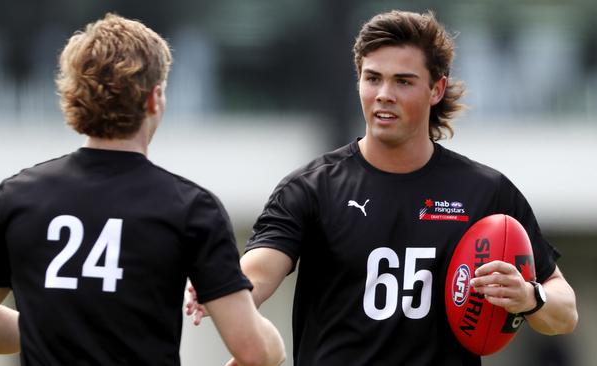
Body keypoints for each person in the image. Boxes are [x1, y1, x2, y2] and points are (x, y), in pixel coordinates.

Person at [186, 10, 577, 365]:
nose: (384, 94)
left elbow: (565, 312)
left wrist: (530, 298)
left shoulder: (486, 192)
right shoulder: (311, 187)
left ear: (436, 90)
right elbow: (259, 271)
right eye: (373, 78)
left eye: (403, 81)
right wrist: (222, 288)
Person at [0, 13, 285, 366]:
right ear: (154, 99)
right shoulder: (190, 208)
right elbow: (253, 351)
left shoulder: (16, 197)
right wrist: (275, 345)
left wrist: (55, 329)